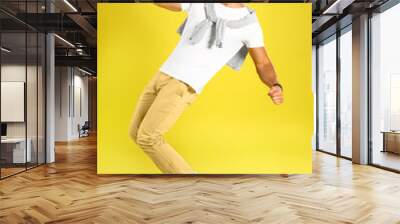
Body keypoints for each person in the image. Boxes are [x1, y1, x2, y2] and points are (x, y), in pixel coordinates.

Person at [129, 3, 284, 174]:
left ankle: (194, 186)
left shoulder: (249, 24)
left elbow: (263, 63)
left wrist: (274, 84)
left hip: (185, 84)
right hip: (161, 75)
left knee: (149, 138)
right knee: (135, 132)